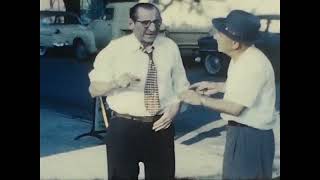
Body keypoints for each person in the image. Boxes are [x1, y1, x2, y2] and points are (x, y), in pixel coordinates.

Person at [88, 3, 190, 180]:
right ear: (130, 23)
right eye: (145, 23)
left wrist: (175, 108)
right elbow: (94, 89)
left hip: (161, 127)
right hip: (124, 128)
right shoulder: (115, 50)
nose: (152, 28)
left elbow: (182, 87)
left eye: (156, 22)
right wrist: (116, 83)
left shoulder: (170, 47)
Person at [179, 10, 276, 179]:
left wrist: (200, 99)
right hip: (246, 134)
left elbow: (235, 107)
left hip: (250, 137)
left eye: (220, 33)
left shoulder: (251, 64)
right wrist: (217, 86)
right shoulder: (242, 57)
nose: (216, 36)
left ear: (235, 43)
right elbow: (247, 88)